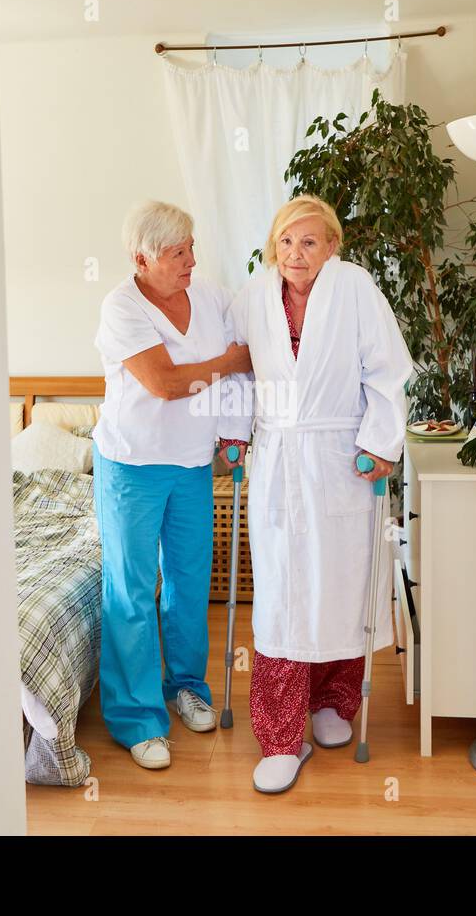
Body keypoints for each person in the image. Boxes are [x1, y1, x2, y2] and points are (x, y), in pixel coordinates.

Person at [222, 194, 411, 793]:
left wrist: (381, 443)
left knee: (340, 584)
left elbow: (387, 371)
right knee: (281, 595)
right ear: (272, 248)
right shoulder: (253, 296)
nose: (295, 254)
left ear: (332, 246)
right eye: (285, 242)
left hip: (340, 459)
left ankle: (334, 704)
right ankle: (280, 735)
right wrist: (232, 431)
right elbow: (238, 371)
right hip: (278, 458)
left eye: (309, 242)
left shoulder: (355, 288)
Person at [92, 200, 251, 770]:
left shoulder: (208, 296)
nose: (191, 259)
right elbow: (163, 382)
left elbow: (242, 366)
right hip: (131, 466)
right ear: (142, 259)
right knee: (132, 591)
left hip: (191, 463)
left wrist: (233, 432)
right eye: (177, 252)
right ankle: (137, 718)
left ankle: (186, 687)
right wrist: (228, 363)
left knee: (187, 583)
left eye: (191, 247)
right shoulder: (121, 306)